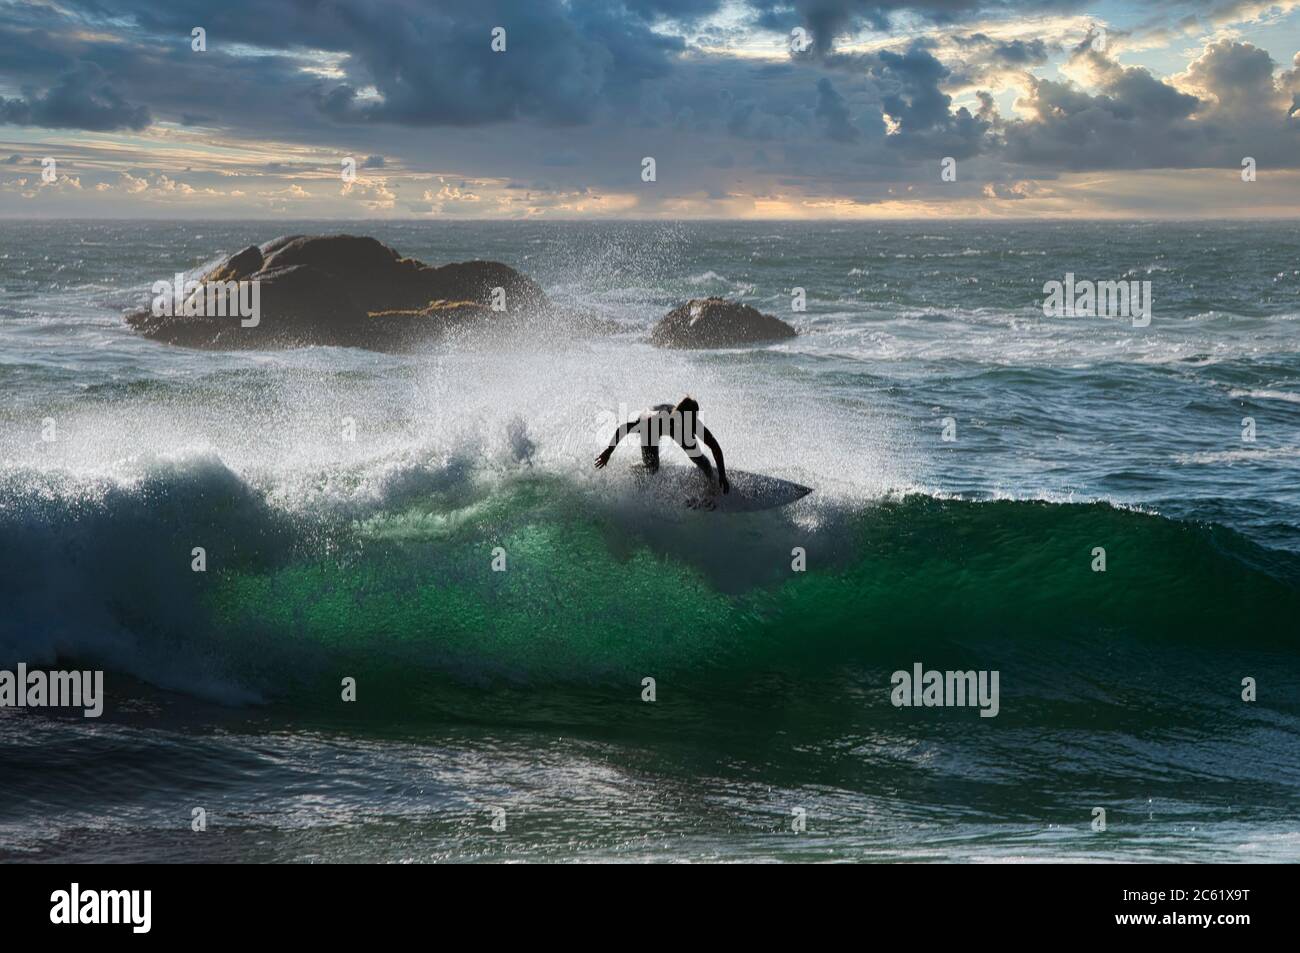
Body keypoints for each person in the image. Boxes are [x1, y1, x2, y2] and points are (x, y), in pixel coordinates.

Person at [594, 396, 729, 493]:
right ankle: (632, 471)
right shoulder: (658, 420)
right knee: (653, 467)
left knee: (701, 461)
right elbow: (624, 429)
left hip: (670, 422)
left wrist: (722, 474)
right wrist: (608, 451)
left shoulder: (692, 423)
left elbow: (715, 447)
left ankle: (712, 488)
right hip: (648, 424)